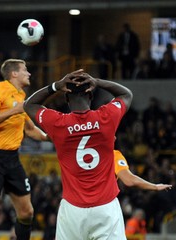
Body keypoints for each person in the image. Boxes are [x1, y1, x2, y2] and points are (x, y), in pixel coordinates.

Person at [24, 70, 133, 239]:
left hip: (72, 210)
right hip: (105, 208)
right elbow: (126, 94)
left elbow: (29, 105)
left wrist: (56, 86)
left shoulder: (58, 123)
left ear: (66, 99)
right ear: (90, 96)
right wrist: (97, 81)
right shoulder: (107, 117)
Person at [0, 59, 49, 240]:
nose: (29, 73)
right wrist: (13, 111)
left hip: (12, 158)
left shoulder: (21, 96)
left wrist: (56, 137)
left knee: (27, 212)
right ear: (14, 73)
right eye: (25, 70)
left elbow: (31, 130)